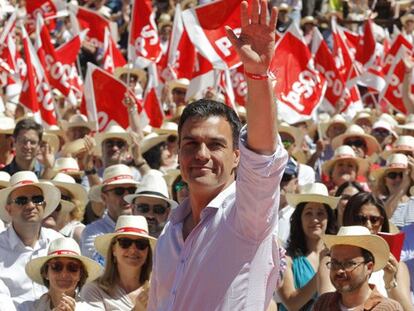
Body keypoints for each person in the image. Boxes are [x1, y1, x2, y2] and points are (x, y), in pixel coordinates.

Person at [148, 1, 288, 310]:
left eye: (215, 145)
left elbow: (264, 156)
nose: (201, 154)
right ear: (177, 152)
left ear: (238, 156)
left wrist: (256, 75)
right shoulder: (169, 233)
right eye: (190, 144)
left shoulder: (247, 215)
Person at [0, 171, 62, 310]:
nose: (31, 205)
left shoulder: (58, 241)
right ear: (8, 209)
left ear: (44, 206)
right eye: (21, 200)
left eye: (37, 199)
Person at [342, 192, 412, 310]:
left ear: (382, 223)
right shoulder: (332, 262)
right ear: (349, 220)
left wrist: (389, 283)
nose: (368, 225)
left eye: (374, 220)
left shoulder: (397, 266)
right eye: (361, 219)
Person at [277, 183, 338, 310]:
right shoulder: (286, 258)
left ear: (329, 219)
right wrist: (322, 270)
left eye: (320, 213)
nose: (315, 219)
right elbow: (291, 303)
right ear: (300, 219)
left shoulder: (338, 255)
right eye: (308, 213)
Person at [313, 225, 403, 310]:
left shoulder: (388, 309)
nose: (339, 270)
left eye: (348, 263)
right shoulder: (323, 303)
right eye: (335, 263)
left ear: (369, 268)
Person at [81, 215, 155, 310]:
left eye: (141, 244)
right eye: (125, 242)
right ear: (113, 249)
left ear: (148, 251)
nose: (133, 250)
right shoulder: (94, 290)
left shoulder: (158, 289)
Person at [81, 164, 139, 264]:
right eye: (119, 191)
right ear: (104, 198)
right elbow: (100, 269)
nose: (126, 196)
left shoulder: (146, 225)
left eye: (131, 190)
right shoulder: (92, 232)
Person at [24, 237, 101, 311]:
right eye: (56, 266)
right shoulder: (27, 308)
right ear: (45, 273)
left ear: (80, 275)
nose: (64, 274)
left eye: (73, 267)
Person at [125, 169, 178, 238]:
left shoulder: (177, 242)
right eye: (143, 208)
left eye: (158, 210)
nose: (150, 215)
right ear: (132, 209)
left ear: (168, 212)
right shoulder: (120, 241)